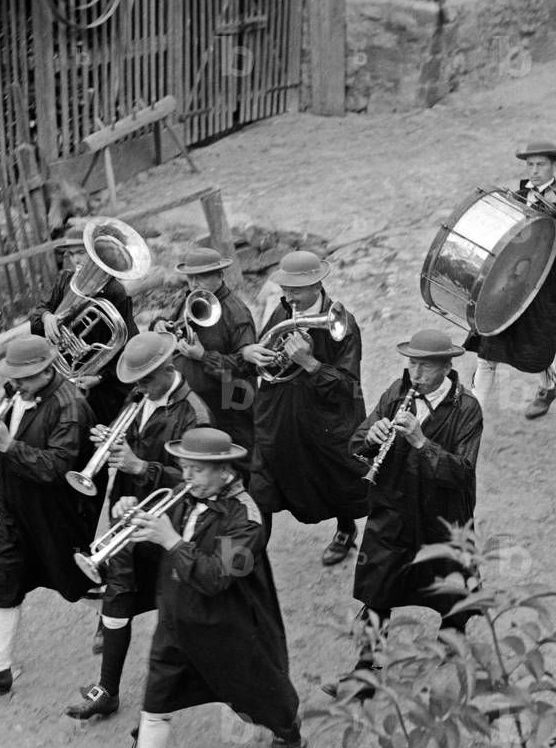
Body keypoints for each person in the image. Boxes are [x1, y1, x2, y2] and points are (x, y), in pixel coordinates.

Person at [96, 428, 303, 748]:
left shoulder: (249, 521)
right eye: (184, 467)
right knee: (156, 696)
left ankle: (288, 731)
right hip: (177, 619)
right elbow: (157, 532)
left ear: (225, 472)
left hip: (230, 628)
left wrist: (171, 540)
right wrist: (130, 512)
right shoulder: (186, 491)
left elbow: (215, 578)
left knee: (259, 688)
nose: (187, 477)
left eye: (196, 471)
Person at [324, 329, 483, 700]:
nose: (415, 373)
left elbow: (462, 472)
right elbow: (356, 444)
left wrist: (421, 442)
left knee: (450, 583)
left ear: (446, 366)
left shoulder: (467, 408)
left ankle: (452, 641)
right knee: (378, 589)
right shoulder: (397, 392)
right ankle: (366, 673)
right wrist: (371, 438)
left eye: (424, 367)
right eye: (411, 364)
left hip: (442, 517)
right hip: (394, 509)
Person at [65, 332, 213, 720]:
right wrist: (108, 439)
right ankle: (107, 690)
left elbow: (194, 482)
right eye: (136, 382)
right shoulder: (137, 397)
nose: (141, 389)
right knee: (118, 592)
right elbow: (129, 438)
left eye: (147, 380)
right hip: (129, 511)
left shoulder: (194, 414)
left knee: (175, 606)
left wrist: (139, 467)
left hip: (168, 520)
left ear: (170, 368)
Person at [0, 336, 100, 698]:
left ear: (46, 370)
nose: (15, 384)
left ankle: (115, 607)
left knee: (75, 582)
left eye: (23, 377)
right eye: (13, 376)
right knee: (4, 584)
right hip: (14, 509)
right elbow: (8, 441)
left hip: (57, 515)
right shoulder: (14, 394)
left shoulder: (71, 406)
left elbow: (56, 468)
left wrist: (6, 444)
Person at [466, 140, 556, 419]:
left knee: (535, 348)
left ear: (554, 167)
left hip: (545, 293)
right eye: (530, 165)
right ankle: (471, 423)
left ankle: (549, 385)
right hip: (509, 288)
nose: (534, 171)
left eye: (540, 165)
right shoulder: (516, 198)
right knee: (487, 352)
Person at [244, 250, 369, 566]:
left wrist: (310, 364)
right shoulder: (283, 310)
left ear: (317, 284)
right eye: (285, 288)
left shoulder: (344, 324)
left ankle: (345, 528)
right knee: (263, 481)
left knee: (336, 477)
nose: (289, 295)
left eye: (296, 289)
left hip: (325, 418)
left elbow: (347, 386)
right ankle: (251, 555)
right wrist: (257, 353)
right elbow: (270, 351)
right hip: (281, 412)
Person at [151, 247, 256, 477]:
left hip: (227, 409)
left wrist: (202, 356)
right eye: (190, 277)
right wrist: (160, 323)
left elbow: (247, 366)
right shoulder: (189, 300)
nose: (195, 283)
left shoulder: (237, 313)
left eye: (202, 276)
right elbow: (170, 324)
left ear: (220, 276)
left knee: (235, 470)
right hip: (193, 406)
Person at [29, 236, 139, 426]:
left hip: (101, 384)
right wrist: (47, 317)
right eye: (70, 254)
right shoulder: (65, 280)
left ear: (95, 255)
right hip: (62, 374)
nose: (75, 260)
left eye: (81, 252)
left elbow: (129, 343)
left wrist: (98, 377)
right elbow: (37, 317)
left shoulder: (114, 291)